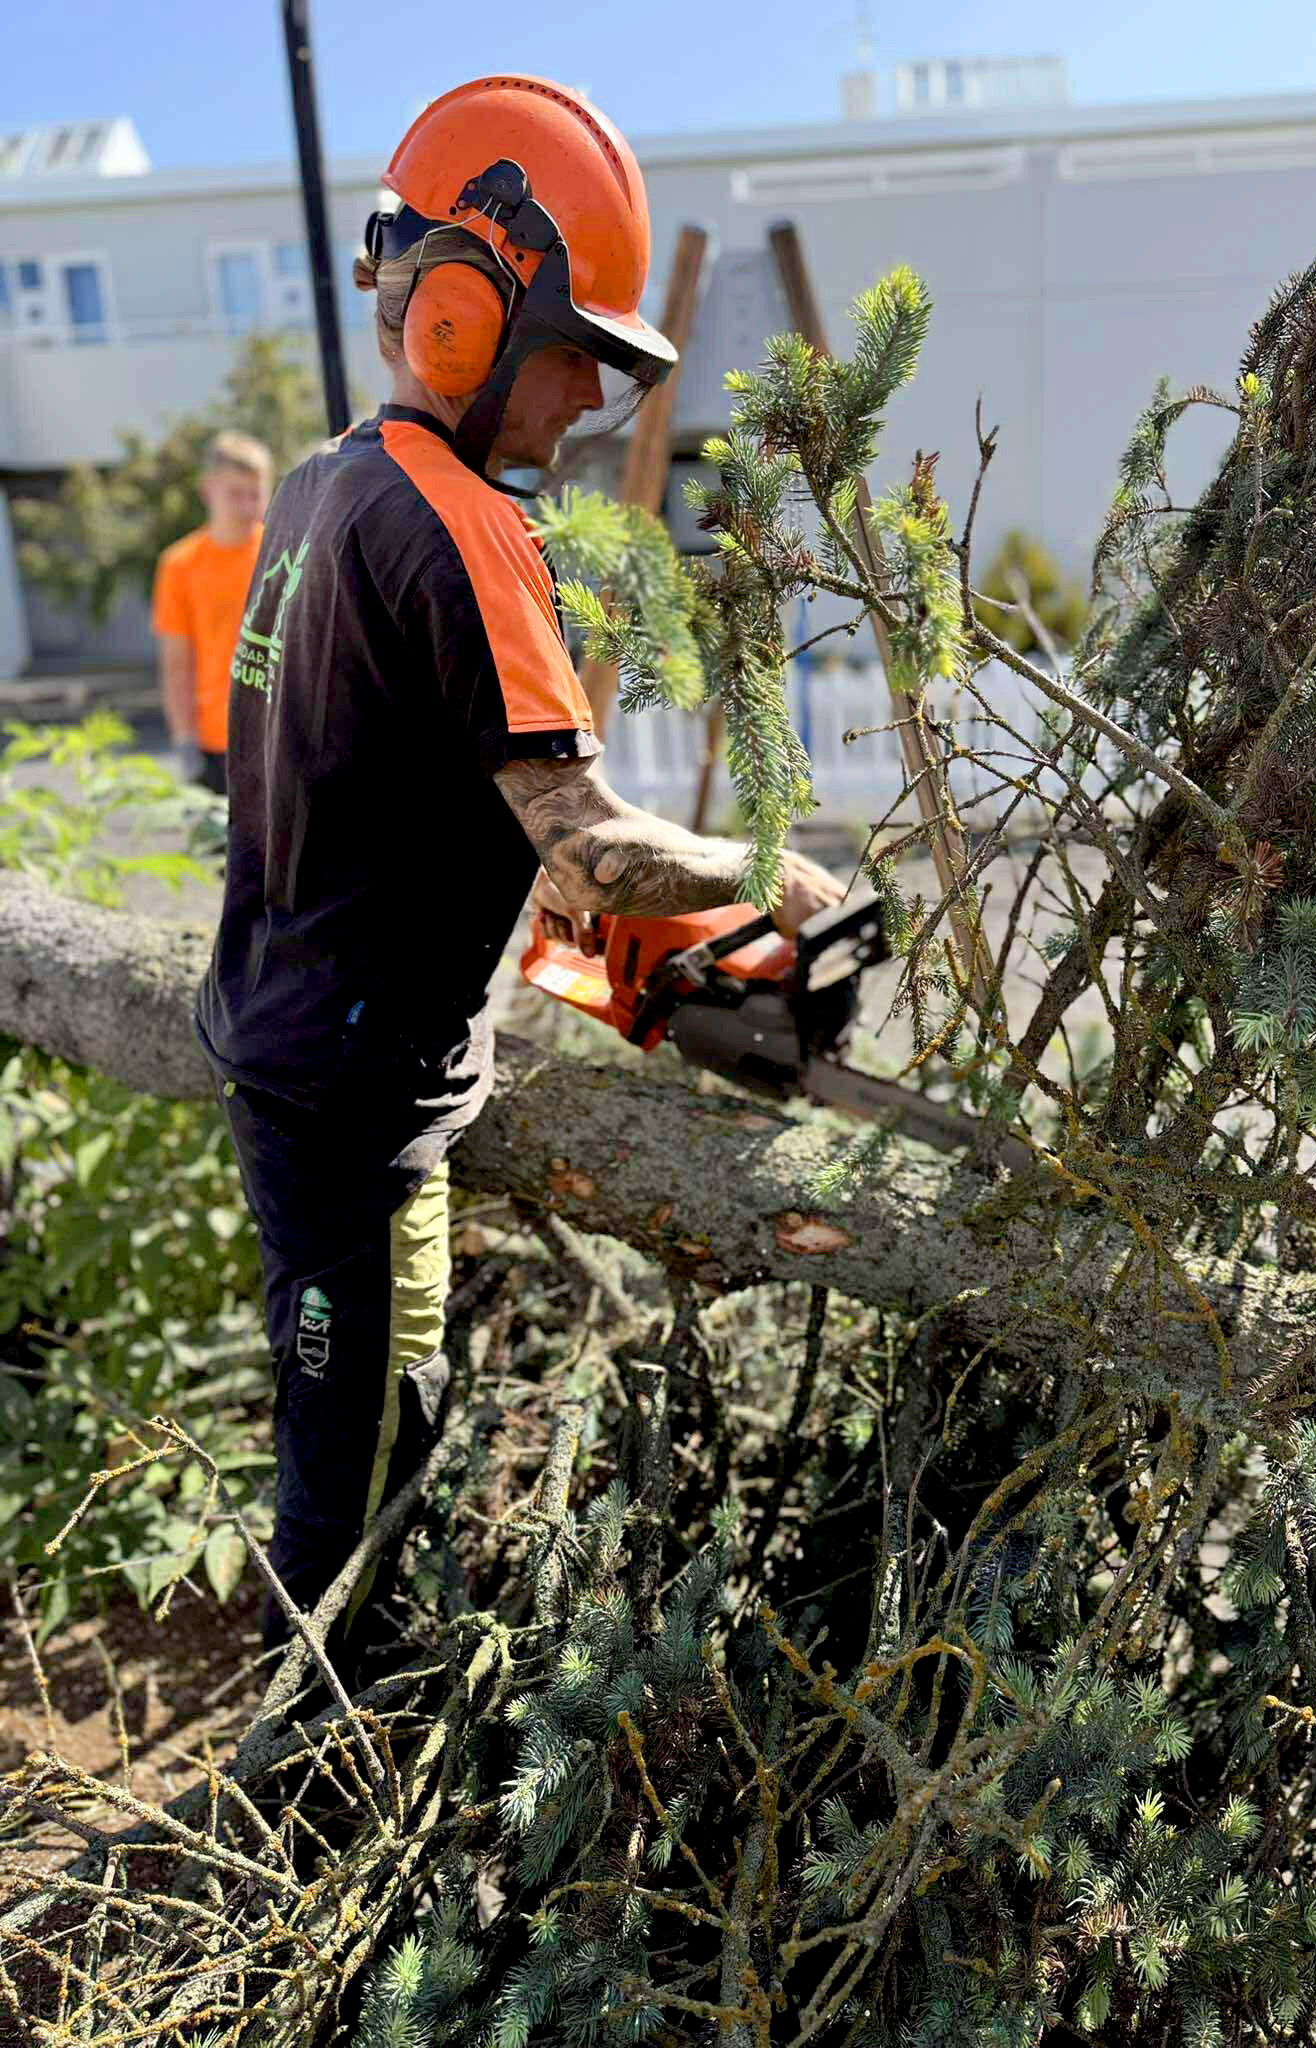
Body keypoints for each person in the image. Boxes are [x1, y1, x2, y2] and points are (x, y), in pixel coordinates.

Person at [196, 75, 842, 1687]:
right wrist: (775, 878)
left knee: (366, 1421)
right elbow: (583, 837)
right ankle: (314, 1757)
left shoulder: (324, 484)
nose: (586, 401)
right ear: (468, 319)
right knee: (354, 1476)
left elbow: (383, 768)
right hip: (352, 1095)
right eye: (573, 356)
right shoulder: (465, 521)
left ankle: (347, 1701)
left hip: (289, 1038)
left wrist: (529, 886)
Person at [152, 431, 272, 796]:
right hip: (216, 741)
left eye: (256, 494)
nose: (247, 507)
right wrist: (184, 740)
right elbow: (176, 663)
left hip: (280, 734)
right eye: (235, 494)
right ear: (208, 490)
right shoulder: (180, 565)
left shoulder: (282, 553)